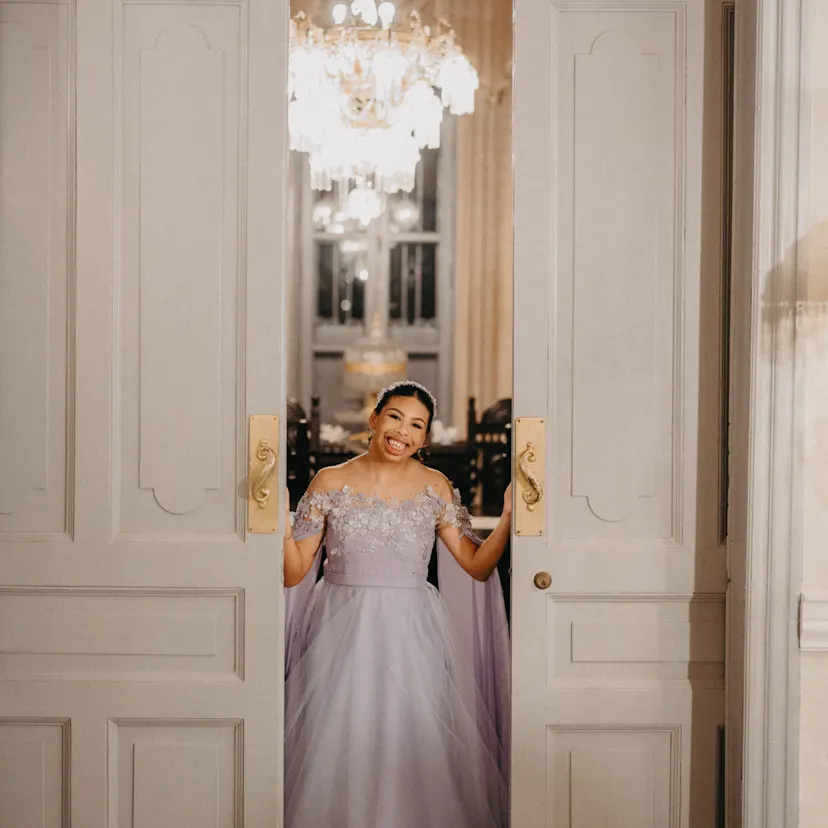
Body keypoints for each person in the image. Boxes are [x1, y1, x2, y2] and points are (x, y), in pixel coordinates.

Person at [283, 381, 512, 828]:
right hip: (339, 624)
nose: (402, 431)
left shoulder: (435, 487)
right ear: (374, 417)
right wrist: (278, 525)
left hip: (411, 629)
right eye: (394, 416)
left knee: (411, 733)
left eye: (416, 425)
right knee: (340, 735)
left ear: (425, 439)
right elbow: (294, 573)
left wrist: (508, 519)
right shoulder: (330, 481)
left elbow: (476, 565)